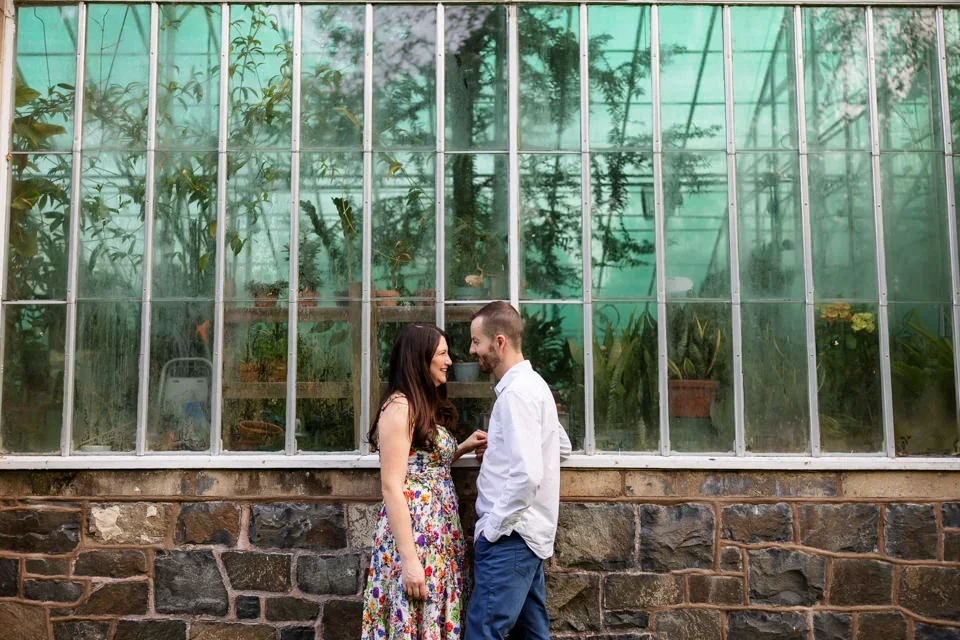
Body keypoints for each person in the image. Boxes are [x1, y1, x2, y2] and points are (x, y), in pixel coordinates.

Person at [362, 323, 488, 640]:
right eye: (442, 354)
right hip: (415, 542)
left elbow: (423, 465)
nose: (449, 361)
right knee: (410, 622)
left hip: (439, 540)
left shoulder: (421, 405)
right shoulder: (400, 408)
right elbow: (392, 485)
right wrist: (410, 563)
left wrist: (461, 448)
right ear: (421, 358)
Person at [464, 301, 572, 640]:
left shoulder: (517, 395)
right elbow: (561, 446)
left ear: (499, 342)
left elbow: (527, 475)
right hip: (524, 539)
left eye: (476, 341)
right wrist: (499, 452)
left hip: (510, 538)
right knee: (531, 635)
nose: (471, 350)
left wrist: (492, 529)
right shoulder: (535, 385)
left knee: (483, 632)